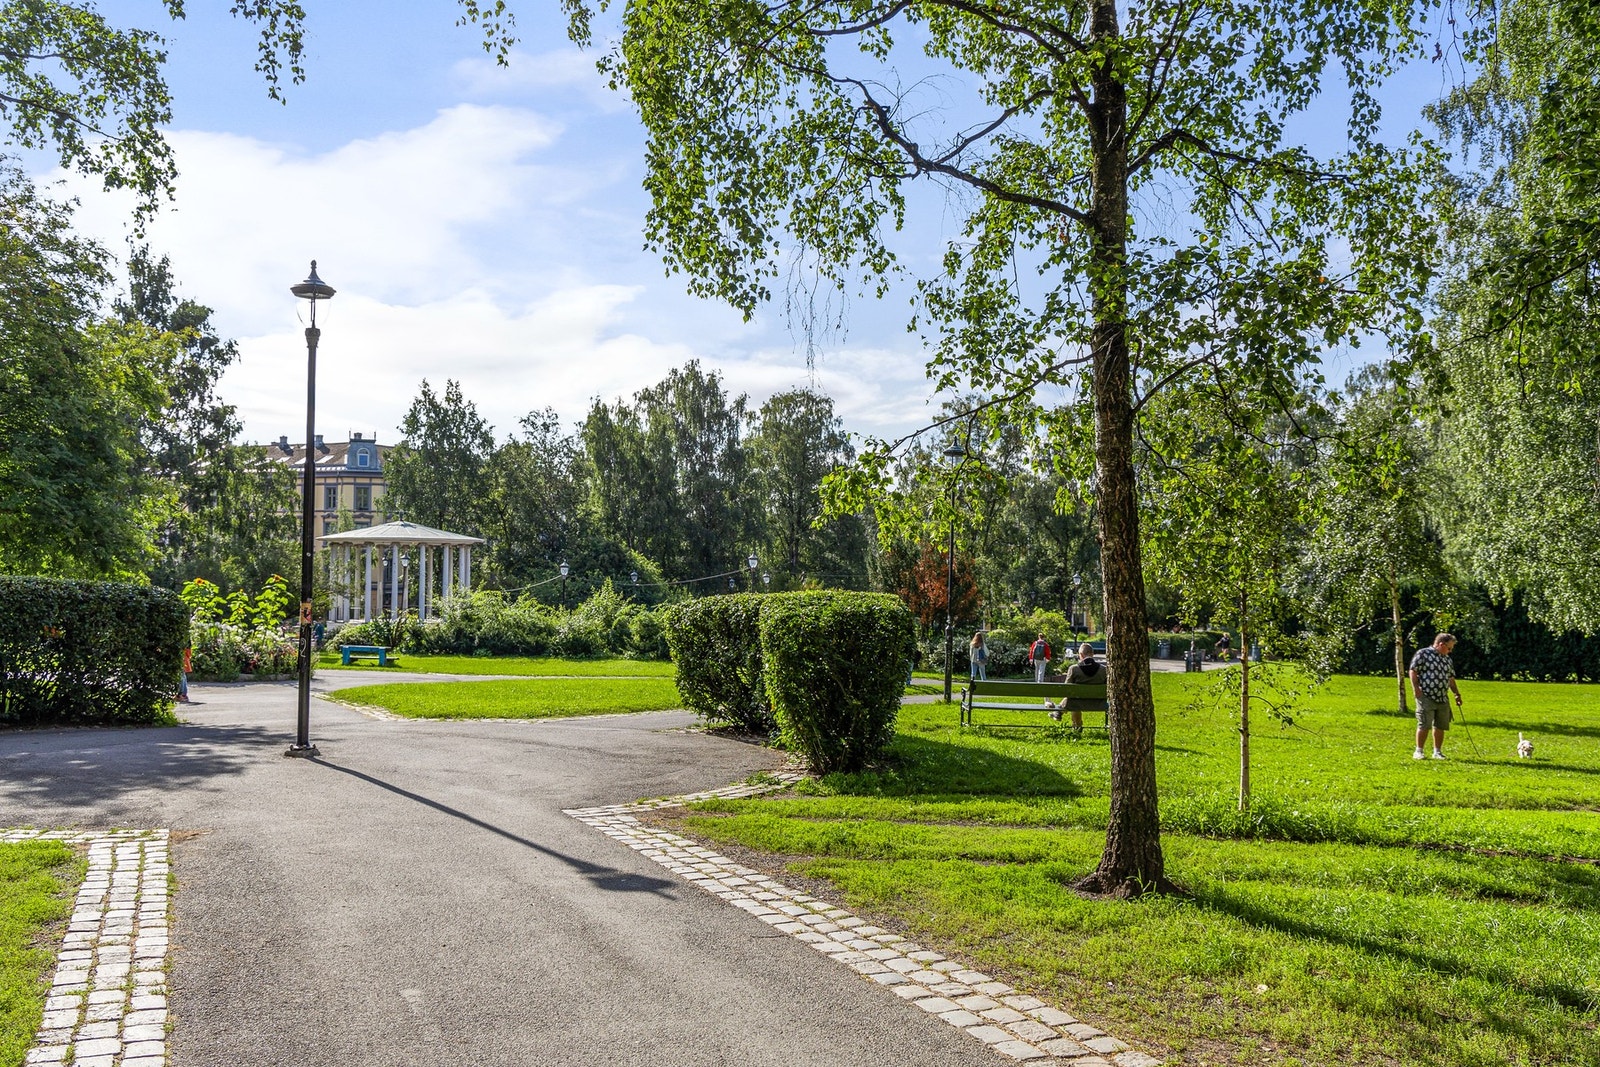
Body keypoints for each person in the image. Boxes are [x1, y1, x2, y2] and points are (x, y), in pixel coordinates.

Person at [1409, 632, 1463, 760]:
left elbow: (1451, 678)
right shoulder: (1423, 654)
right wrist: (1416, 688)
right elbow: (1413, 670)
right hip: (1426, 695)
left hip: (1442, 697)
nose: (1450, 651)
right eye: (1449, 648)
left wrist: (1456, 694)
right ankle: (1419, 751)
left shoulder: (1447, 659)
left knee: (1441, 725)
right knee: (1424, 723)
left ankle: (1437, 752)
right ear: (1441, 644)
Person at [1049, 642, 1107, 729]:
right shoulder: (1103, 670)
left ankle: (1076, 726)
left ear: (1081, 655)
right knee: (1074, 699)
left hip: (1076, 703)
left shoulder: (1074, 669)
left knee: (1073, 699)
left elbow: (1066, 688)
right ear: (1092, 654)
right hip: (1099, 703)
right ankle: (1061, 714)